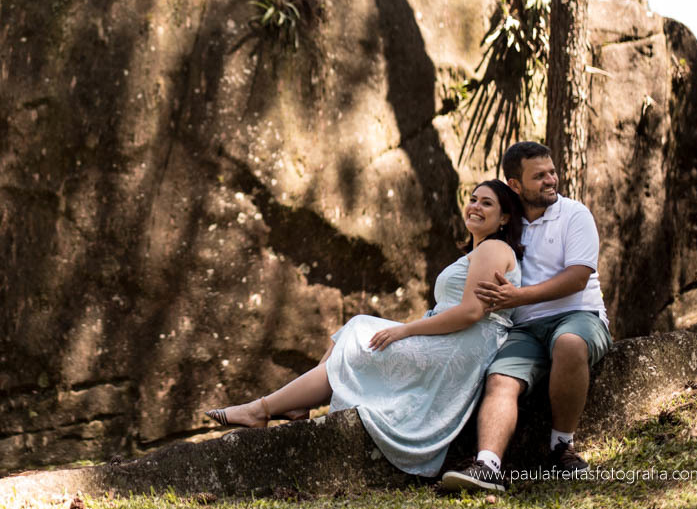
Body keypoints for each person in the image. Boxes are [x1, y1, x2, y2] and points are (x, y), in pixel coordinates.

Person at [203, 180, 525, 477]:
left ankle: (264, 408)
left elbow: (470, 312)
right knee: (356, 330)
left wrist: (407, 330)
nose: (475, 207)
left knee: (360, 332)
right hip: (453, 339)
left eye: (487, 203)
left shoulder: (493, 249)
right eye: (472, 199)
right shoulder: (478, 251)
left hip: (463, 346)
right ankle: (284, 405)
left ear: (504, 219)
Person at [440, 141, 612, 494]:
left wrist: (518, 296)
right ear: (515, 184)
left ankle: (561, 447)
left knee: (568, 343)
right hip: (524, 329)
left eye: (552, 172)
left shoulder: (574, 214)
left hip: (577, 315)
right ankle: (487, 464)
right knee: (501, 377)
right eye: (540, 176)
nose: (551, 180)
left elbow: (578, 277)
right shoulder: (508, 222)